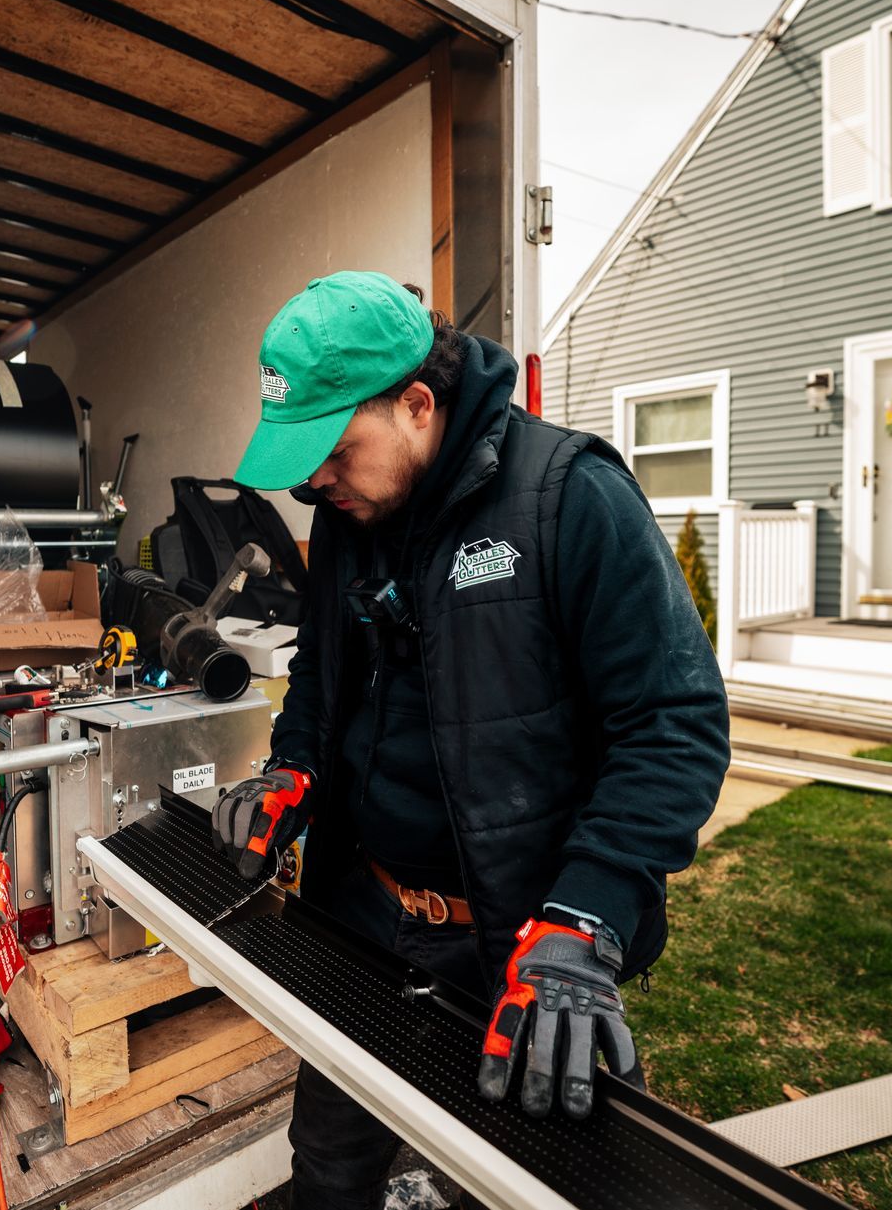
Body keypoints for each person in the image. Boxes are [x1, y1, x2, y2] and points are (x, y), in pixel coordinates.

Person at [209, 270, 728, 1209]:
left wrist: (588, 916)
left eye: (334, 447)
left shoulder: (570, 497)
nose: (313, 479)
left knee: (552, 1187)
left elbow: (673, 724)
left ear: (417, 403)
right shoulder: (345, 522)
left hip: (523, 945)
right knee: (329, 1175)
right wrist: (295, 767)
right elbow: (324, 680)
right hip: (366, 921)